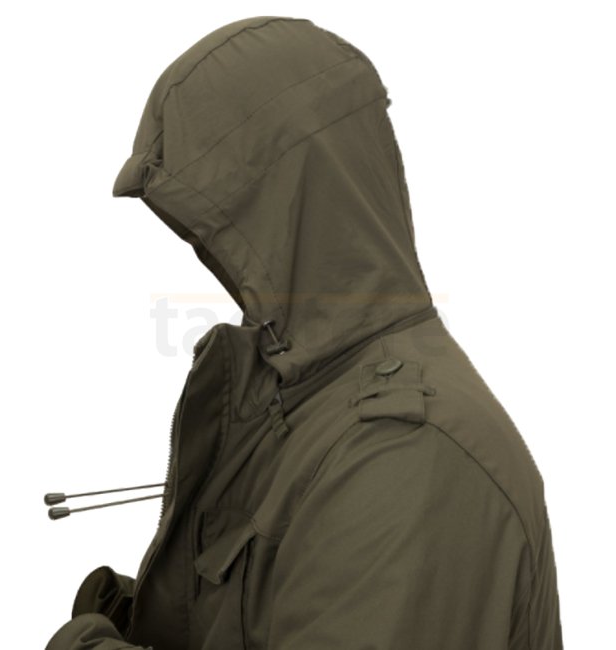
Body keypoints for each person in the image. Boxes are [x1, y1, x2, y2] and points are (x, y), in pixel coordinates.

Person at [46, 15, 564, 650]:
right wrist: (144, 613)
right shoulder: (302, 402)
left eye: (216, 225)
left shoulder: (403, 456)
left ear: (279, 203)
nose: (208, 255)